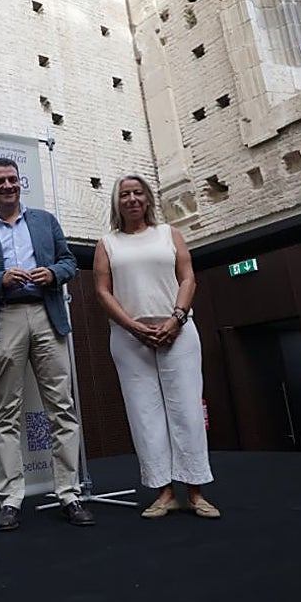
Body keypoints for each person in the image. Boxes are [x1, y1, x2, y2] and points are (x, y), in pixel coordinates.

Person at [0, 158, 94, 531]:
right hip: (5, 318)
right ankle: (11, 500)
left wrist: (52, 273)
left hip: (47, 314)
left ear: (21, 184)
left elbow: (68, 262)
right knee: (5, 412)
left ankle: (69, 493)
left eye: (12, 180)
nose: (7, 186)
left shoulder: (45, 222)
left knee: (62, 407)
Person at [92, 175, 220, 519]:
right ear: (117, 203)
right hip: (129, 336)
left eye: (137, 193)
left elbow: (188, 277)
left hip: (176, 330)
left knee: (187, 411)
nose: (132, 199)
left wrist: (177, 318)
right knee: (144, 413)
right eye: (124, 194)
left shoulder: (170, 234)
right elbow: (103, 291)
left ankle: (195, 491)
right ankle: (164, 493)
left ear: (147, 198)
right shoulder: (107, 243)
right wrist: (132, 326)